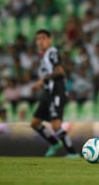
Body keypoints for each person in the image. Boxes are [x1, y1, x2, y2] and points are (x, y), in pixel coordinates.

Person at [30, 29, 78, 158]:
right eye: (38, 39)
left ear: (49, 39)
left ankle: (72, 153)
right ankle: (54, 143)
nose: (40, 41)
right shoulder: (43, 57)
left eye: (43, 38)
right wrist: (41, 84)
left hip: (57, 90)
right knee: (35, 123)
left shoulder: (52, 52)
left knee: (56, 125)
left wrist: (43, 80)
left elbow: (60, 72)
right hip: (48, 93)